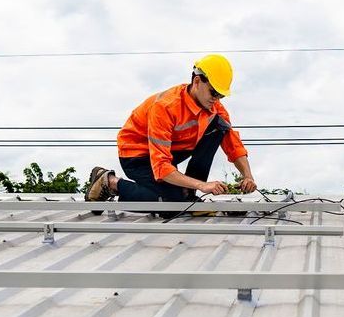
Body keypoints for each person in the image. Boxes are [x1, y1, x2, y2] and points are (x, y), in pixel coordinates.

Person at [86, 54, 258, 210]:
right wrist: (202, 185)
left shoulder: (215, 109)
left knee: (219, 126)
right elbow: (161, 167)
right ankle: (110, 182)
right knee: (171, 206)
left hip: (168, 154)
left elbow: (233, 145)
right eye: (213, 92)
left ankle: (187, 195)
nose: (216, 99)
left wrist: (247, 176)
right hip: (137, 156)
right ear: (197, 82)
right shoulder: (166, 107)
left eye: (221, 95)